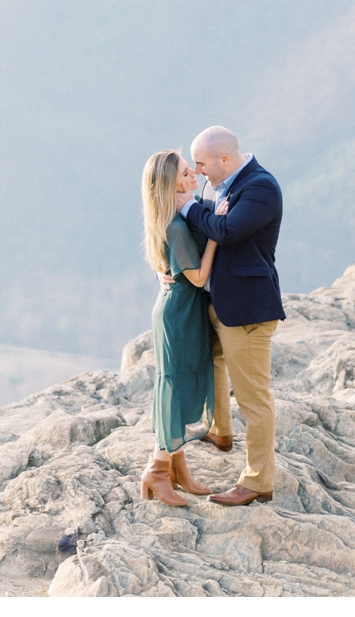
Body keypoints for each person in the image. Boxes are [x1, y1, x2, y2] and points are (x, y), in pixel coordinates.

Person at [179, 126, 285, 507]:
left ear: (225, 159)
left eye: (202, 164)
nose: (198, 172)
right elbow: (209, 226)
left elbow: (226, 231)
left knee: (254, 398)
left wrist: (188, 208)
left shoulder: (261, 188)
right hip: (220, 302)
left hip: (248, 309)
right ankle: (221, 430)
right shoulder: (217, 186)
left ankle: (258, 482)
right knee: (213, 364)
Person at [138, 149, 220, 506]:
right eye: (187, 173)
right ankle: (157, 471)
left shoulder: (171, 217)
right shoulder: (174, 225)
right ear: (171, 184)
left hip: (180, 309)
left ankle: (178, 469)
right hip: (180, 312)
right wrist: (217, 236)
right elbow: (199, 277)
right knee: (174, 385)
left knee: (179, 383)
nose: (195, 177)